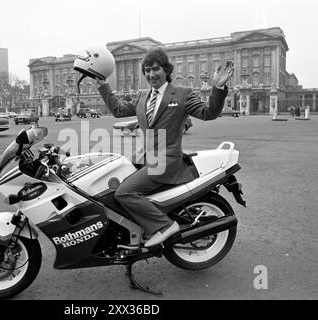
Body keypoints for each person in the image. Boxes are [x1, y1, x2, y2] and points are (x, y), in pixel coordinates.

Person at [96, 48, 234, 247]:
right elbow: (118, 110)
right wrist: (103, 85)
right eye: (147, 70)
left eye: (155, 69)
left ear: (166, 70)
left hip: (167, 162)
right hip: (149, 160)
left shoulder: (182, 94)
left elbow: (208, 113)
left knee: (124, 193)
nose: (151, 74)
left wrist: (218, 88)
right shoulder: (142, 97)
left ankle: (164, 225)